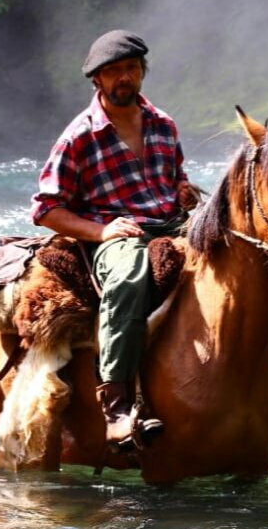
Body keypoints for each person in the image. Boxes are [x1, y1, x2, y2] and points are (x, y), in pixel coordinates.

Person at [30, 30, 197, 451]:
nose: (125, 77)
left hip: (171, 223)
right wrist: (101, 231)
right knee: (129, 275)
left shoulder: (164, 125)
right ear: (97, 80)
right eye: (114, 71)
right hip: (114, 232)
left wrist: (183, 191)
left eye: (132, 68)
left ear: (142, 71)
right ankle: (117, 405)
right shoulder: (79, 136)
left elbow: (176, 177)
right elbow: (46, 209)